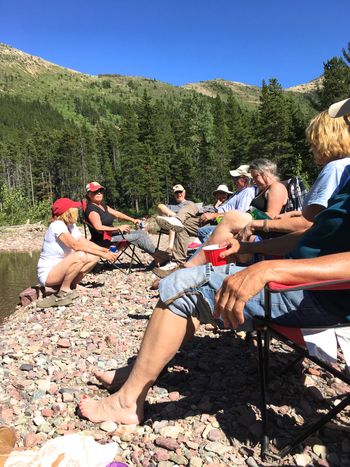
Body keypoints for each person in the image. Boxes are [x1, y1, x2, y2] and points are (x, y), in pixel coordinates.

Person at [79, 177, 350, 425]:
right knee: (197, 276)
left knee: (180, 285)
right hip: (304, 283)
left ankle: (127, 402)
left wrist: (272, 269)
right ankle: (140, 372)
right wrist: (249, 248)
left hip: (317, 294)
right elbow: (309, 238)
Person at [36, 198, 118, 308]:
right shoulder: (57, 225)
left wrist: (103, 250)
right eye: (73, 208)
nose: (76, 210)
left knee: (94, 256)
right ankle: (64, 291)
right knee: (80, 255)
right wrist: (103, 254)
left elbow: (84, 242)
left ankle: (73, 284)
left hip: (62, 268)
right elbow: (75, 245)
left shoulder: (70, 226)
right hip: (48, 274)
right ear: (67, 211)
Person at [84, 182, 169, 265]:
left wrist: (132, 220)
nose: (99, 193)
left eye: (101, 191)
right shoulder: (91, 209)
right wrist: (118, 228)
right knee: (138, 236)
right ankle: (160, 255)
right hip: (105, 240)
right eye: (95, 192)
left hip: (112, 235)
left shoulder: (102, 206)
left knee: (141, 233)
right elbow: (98, 227)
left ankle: (157, 256)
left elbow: (117, 214)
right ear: (89, 194)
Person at [156, 184, 196, 252]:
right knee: (161, 206)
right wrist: (173, 215)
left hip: (185, 224)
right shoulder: (170, 205)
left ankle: (170, 247)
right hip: (171, 222)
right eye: (176, 193)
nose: (179, 194)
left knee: (173, 222)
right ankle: (175, 218)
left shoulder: (189, 203)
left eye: (180, 192)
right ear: (174, 194)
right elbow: (160, 209)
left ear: (184, 192)